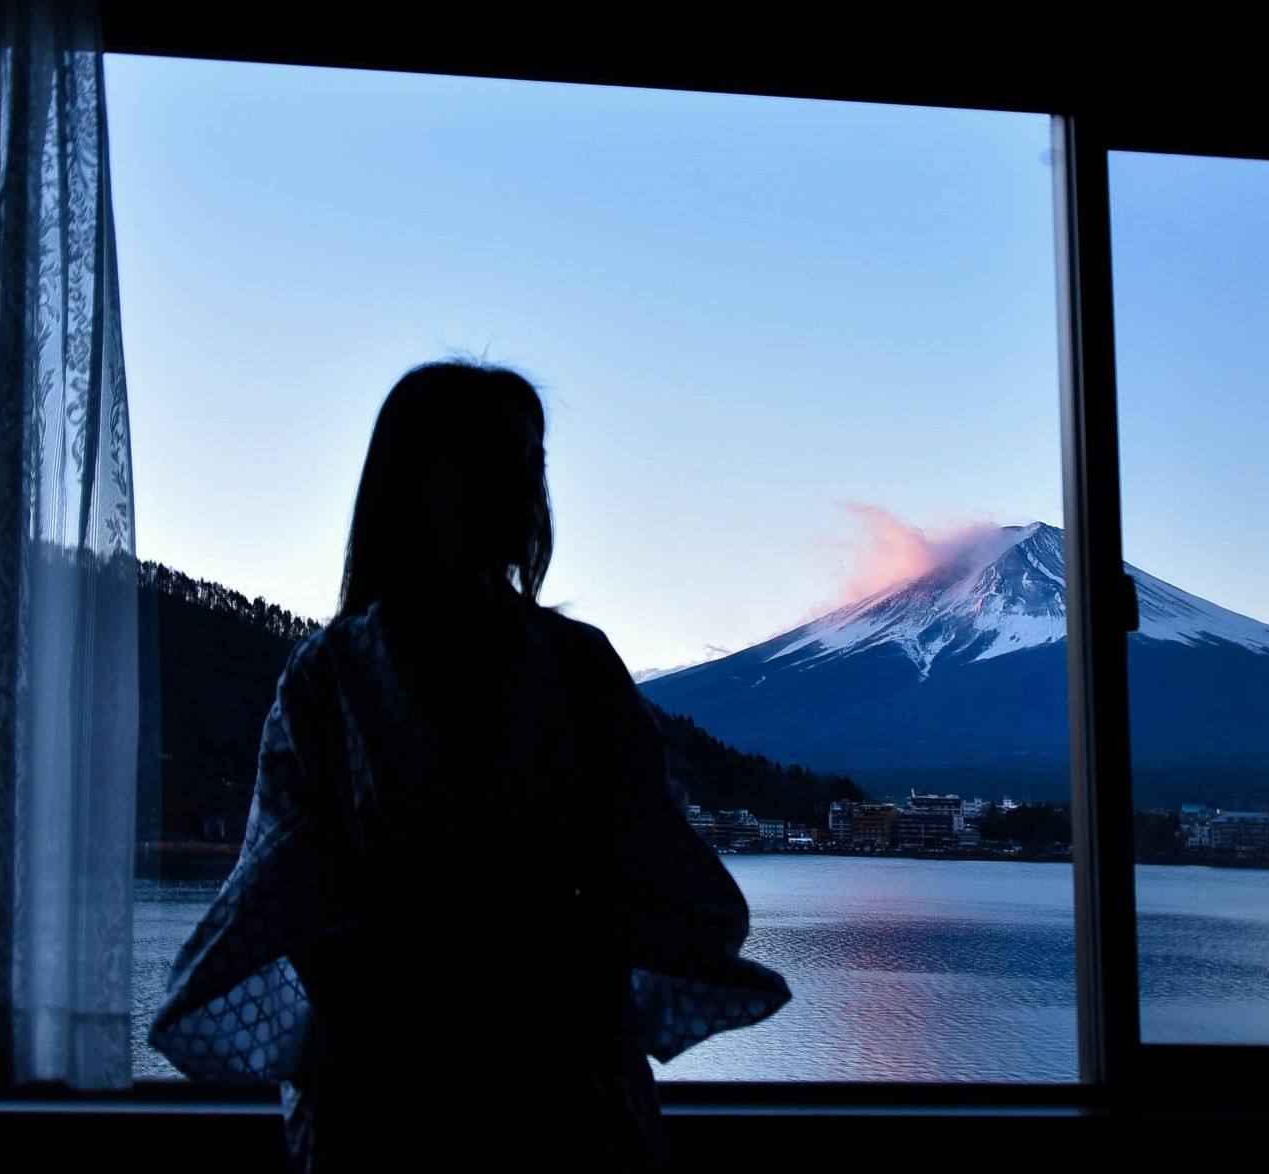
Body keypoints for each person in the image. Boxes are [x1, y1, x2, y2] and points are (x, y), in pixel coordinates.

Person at [149, 361, 789, 1172]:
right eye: (496, 462)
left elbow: (290, 906)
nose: (524, 488)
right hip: (445, 1107)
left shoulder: (557, 670)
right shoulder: (336, 680)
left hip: (496, 1106)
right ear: (417, 483)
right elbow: (296, 910)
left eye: (533, 465)